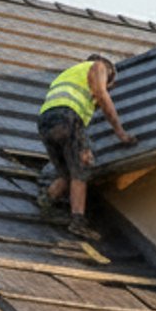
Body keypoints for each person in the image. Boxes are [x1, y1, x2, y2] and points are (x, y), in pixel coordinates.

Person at [37, 55, 132, 241]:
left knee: (66, 172)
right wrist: (120, 133)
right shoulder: (99, 67)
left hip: (45, 122)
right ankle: (78, 222)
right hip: (67, 117)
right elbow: (101, 95)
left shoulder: (68, 75)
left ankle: (47, 200)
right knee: (82, 167)